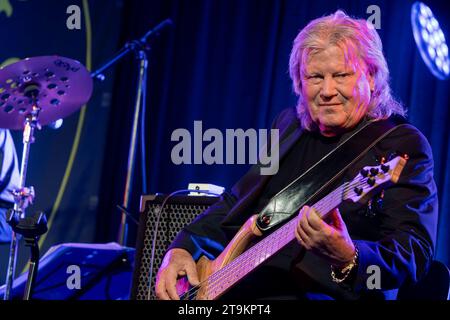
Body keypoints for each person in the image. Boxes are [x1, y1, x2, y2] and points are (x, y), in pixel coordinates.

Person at [155, 10, 438, 300]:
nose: (327, 90)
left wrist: (349, 257)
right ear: (299, 82)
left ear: (372, 76)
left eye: (341, 75)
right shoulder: (289, 126)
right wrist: (182, 247)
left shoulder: (401, 145)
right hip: (245, 289)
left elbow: (414, 251)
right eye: (315, 77)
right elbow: (236, 202)